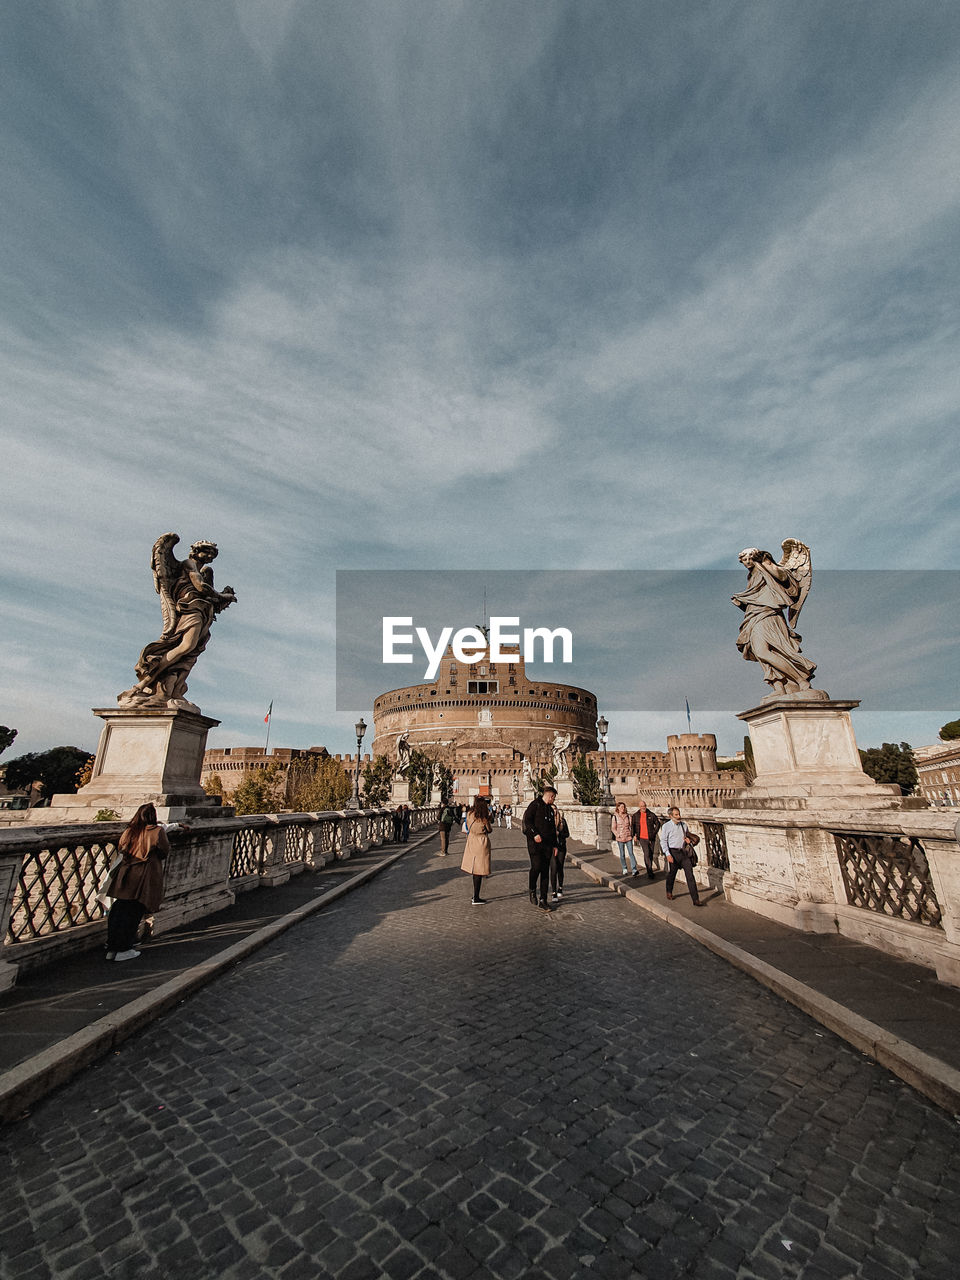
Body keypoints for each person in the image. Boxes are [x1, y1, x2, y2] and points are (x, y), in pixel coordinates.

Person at [104, 803, 170, 961]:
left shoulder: (129, 831)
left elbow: (121, 847)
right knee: (133, 913)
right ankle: (124, 948)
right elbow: (164, 851)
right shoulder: (156, 832)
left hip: (125, 875)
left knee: (119, 910)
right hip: (143, 877)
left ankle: (111, 948)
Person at [522, 785, 558, 911]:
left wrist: (555, 845)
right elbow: (528, 821)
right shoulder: (534, 805)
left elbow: (553, 829)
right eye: (553, 798)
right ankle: (532, 889)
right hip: (535, 844)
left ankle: (543, 899)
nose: (553, 800)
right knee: (536, 867)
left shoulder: (550, 809)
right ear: (550, 796)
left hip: (547, 845)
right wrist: (535, 833)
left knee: (545, 872)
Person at [659, 806, 703, 906]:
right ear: (670, 816)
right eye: (676, 815)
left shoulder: (684, 825)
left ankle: (695, 899)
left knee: (690, 875)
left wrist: (689, 841)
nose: (679, 816)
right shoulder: (666, 826)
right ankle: (669, 891)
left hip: (683, 853)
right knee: (672, 874)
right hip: (673, 852)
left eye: (679, 814)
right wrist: (667, 854)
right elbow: (663, 841)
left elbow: (686, 837)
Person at [461, 795, 492, 905]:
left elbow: (467, 825)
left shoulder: (469, 814)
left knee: (474, 869)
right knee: (479, 870)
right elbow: (489, 829)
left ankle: (475, 895)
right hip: (480, 842)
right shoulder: (483, 817)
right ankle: (476, 897)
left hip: (471, 840)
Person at [631, 801, 662, 879]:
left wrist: (654, 833)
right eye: (641, 806)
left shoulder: (651, 814)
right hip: (642, 838)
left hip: (651, 838)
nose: (643, 807)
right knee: (646, 853)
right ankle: (649, 871)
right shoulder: (636, 815)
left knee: (650, 854)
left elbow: (658, 823)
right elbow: (633, 826)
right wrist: (634, 835)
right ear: (639, 807)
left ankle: (649, 867)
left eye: (644, 806)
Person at [611, 801, 638, 876]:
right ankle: (624, 868)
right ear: (618, 808)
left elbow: (631, 826)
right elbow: (613, 828)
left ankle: (634, 869)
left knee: (631, 853)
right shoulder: (615, 817)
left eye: (624, 807)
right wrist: (618, 835)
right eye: (621, 807)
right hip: (620, 838)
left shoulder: (628, 816)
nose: (623, 808)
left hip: (628, 837)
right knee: (622, 854)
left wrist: (633, 834)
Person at [550, 805, 570, 902]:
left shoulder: (562, 821)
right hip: (551, 848)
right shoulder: (547, 821)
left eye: (554, 809)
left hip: (561, 847)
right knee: (553, 869)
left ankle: (560, 887)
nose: (553, 811)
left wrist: (559, 833)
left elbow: (567, 834)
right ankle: (554, 892)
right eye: (551, 809)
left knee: (560, 867)